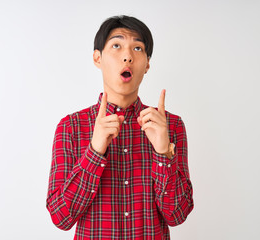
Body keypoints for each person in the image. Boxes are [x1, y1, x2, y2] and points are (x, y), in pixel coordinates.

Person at [46, 15, 194, 240]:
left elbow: (177, 215)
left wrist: (163, 153)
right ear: (98, 58)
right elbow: (61, 217)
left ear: (147, 65)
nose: (127, 56)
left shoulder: (170, 125)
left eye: (137, 48)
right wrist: (94, 152)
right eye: (117, 45)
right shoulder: (71, 127)